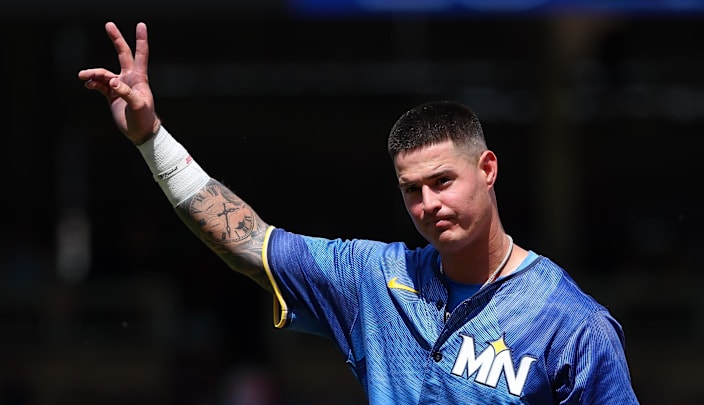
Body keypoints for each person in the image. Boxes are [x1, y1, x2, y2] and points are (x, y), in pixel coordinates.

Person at [78, 21, 640, 404]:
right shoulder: (375, 280)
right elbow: (248, 240)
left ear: (488, 169)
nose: (429, 205)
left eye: (443, 181)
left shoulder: (572, 326)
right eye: (411, 190)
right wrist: (152, 140)